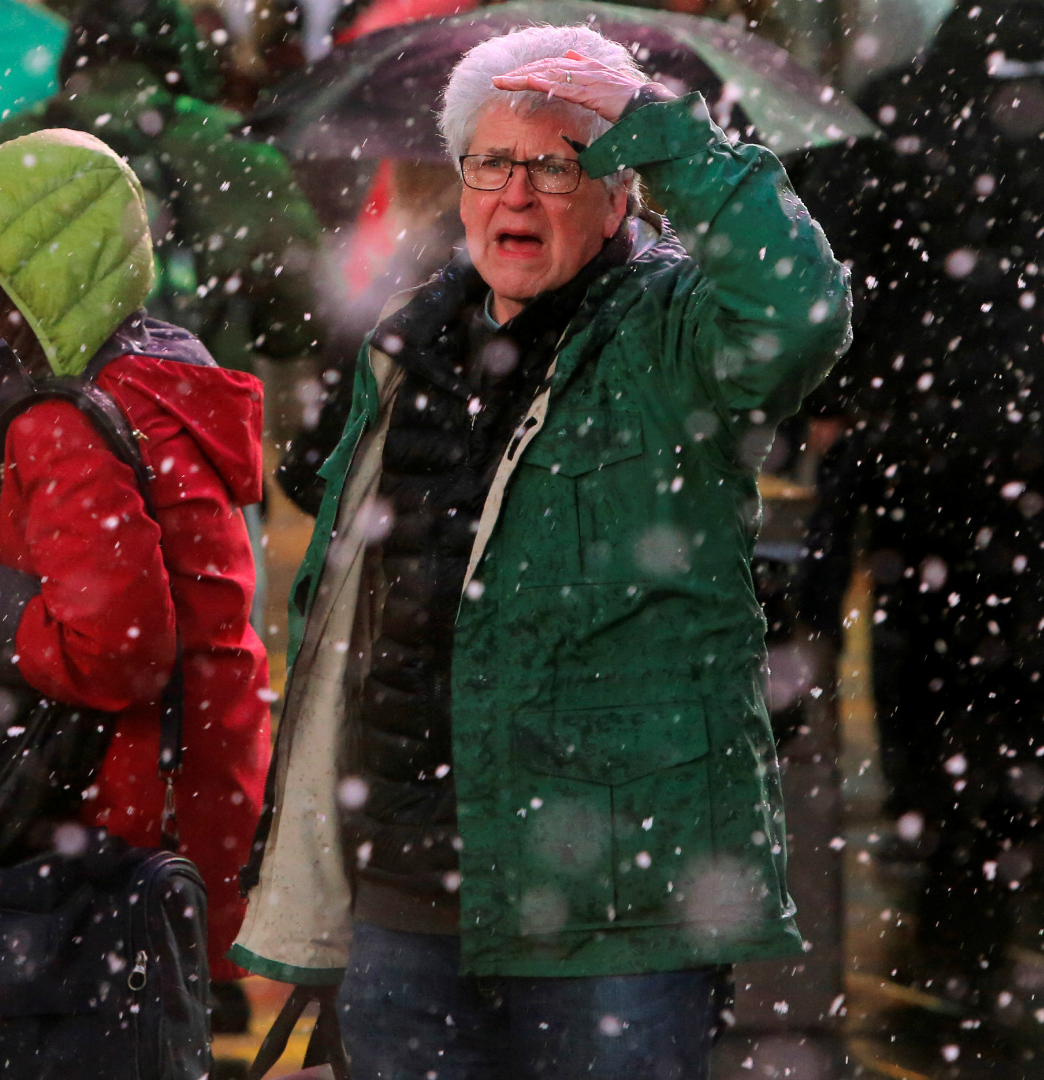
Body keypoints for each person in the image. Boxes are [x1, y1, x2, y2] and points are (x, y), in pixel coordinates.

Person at [242, 25, 851, 1079]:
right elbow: (344, 620)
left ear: (620, 194)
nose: (515, 194)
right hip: (405, 894)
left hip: (616, 912)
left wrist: (668, 138)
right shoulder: (406, 344)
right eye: (491, 163)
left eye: (557, 166)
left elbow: (796, 311)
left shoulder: (671, 335)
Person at [0, 128, 274, 982]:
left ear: (18, 269)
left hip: (105, 822)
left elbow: (113, 652)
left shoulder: (70, 418)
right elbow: (21, 611)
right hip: (176, 805)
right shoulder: (148, 378)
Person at [797, 0, 1044, 1030]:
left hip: (914, 453)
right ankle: (1000, 846)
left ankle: (944, 861)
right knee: (1016, 663)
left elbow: (830, 271)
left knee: (918, 658)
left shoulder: (893, 112)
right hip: (1026, 457)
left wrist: (835, 408)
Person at [0, 0, 322, 374]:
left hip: (34, 414)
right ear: (185, 56)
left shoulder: (1, 149)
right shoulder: (239, 151)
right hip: (194, 406)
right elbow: (298, 318)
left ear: (74, 53)